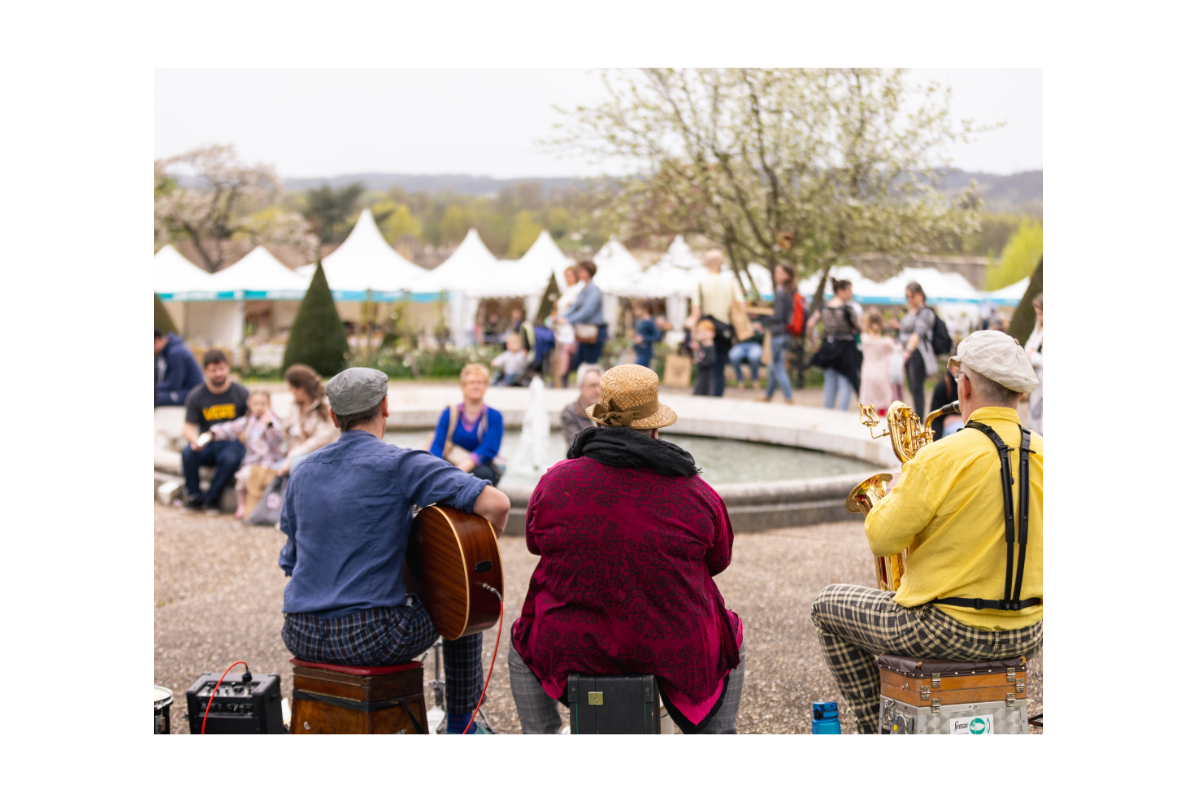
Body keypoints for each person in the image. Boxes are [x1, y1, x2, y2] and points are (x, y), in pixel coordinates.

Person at [810, 330, 1043, 734]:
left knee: (827, 605)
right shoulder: (1047, 454)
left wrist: (901, 486)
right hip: (1029, 631)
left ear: (964, 384)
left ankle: (875, 728)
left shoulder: (941, 455)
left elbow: (881, 539)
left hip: (943, 629)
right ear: (1018, 394)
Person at [508, 365, 745, 734]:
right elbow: (719, 560)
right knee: (731, 640)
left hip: (572, 644)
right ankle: (717, 738)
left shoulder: (554, 483)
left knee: (523, 640)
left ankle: (541, 736)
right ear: (655, 427)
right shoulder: (697, 493)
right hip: (675, 646)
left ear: (600, 425)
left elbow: (535, 543)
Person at [278, 367, 510, 735]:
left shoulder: (302, 472)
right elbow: (496, 504)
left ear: (334, 417)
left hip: (300, 631)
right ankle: (462, 726)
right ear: (386, 407)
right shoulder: (400, 463)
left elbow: (290, 561)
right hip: (371, 637)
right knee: (465, 598)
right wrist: (466, 567)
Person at [181, 350, 250, 512]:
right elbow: (188, 426)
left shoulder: (241, 393)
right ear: (205, 371)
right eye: (213, 370)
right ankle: (194, 496)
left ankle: (211, 498)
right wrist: (195, 440)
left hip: (231, 443)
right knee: (187, 453)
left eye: (221, 368)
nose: (218, 373)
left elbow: (250, 423)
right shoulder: (196, 395)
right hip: (207, 442)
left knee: (232, 459)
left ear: (228, 368)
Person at [207, 389, 287, 518]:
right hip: (252, 461)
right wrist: (213, 433)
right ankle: (242, 506)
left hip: (269, 461)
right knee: (242, 478)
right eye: (256, 404)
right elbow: (230, 428)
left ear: (269, 404)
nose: (259, 407)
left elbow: (278, 439)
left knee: (264, 482)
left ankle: (265, 510)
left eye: (262, 404)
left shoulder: (272, 421)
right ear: (249, 404)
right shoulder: (247, 421)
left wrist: (270, 426)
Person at [428, 363, 505, 485]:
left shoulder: (494, 416)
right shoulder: (449, 413)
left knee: (482, 475)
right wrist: (436, 469)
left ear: (486, 387)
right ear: (463, 387)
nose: (476, 386)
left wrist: (461, 469)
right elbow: (437, 445)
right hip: (451, 463)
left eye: (480, 382)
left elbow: (489, 448)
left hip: (479, 467)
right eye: (471, 382)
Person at [686, 249, 746, 397]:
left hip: (706, 330)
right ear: (721, 264)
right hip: (724, 329)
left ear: (706, 264)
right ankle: (717, 396)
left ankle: (704, 394)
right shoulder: (730, 283)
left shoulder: (700, 284)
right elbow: (741, 306)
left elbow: (696, 314)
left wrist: (693, 336)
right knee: (719, 366)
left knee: (705, 364)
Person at [807, 278, 861, 410]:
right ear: (840, 291)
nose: (851, 294)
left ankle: (827, 414)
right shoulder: (847, 309)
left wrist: (812, 341)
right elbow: (858, 328)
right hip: (845, 348)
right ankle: (840, 416)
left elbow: (810, 324)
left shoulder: (823, 307)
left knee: (829, 384)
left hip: (828, 347)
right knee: (845, 384)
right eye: (849, 291)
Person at [277, 364, 339, 477]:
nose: (289, 390)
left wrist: (292, 456)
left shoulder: (326, 406)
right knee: (269, 470)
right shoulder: (295, 406)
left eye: (290, 387)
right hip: (296, 455)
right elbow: (288, 435)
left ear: (301, 389)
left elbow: (320, 439)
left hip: (322, 455)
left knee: (297, 466)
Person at [891, 281, 938, 420]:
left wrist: (908, 351)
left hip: (918, 353)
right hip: (907, 352)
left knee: (917, 388)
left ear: (920, 295)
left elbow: (918, 333)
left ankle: (920, 419)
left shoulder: (926, 312)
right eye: (908, 296)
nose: (910, 299)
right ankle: (917, 417)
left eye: (912, 296)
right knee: (911, 387)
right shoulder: (911, 311)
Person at [559, 260, 606, 372]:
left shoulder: (594, 290)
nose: (578, 273)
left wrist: (567, 320)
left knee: (590, 364)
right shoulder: (583, 290)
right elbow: (574, 308)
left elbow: (587, 312)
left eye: (581, 271)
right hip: (586, 331)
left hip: (595, 331)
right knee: (582, 363)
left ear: (587, 272)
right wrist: (561, 317)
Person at [760, 264, 797, 404]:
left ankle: (788, 397)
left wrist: (761, 317)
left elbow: (778, 316)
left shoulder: (782, 293)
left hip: (779, 333)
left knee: (778, 366)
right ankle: (768, 395)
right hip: (788, 333)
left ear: (788, 275)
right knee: (774, 364)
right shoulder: (791, 292)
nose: (777, 275)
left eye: (780, 273)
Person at [155, 328, 203, 407]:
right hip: (181, 389)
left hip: (191, 392)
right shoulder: (165, 352)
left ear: (156, 341)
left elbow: (174, 384)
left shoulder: (176, 353)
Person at [553, 265, 584, 388]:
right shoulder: (568, 290)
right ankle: (560, 379)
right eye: (566, 276)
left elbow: (574, 310)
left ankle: (563, 378)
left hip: (571, 327)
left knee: (566, 353)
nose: (567, 279)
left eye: (570, 276)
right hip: (562, 327)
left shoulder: (578, 290)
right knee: (562, 354)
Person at [858, 308, 894, 413]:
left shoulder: (864, 338)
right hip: (882, 373)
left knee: (867, 401)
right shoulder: (886, 342)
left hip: (868, 373)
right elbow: (894, 349)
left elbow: (863, 329)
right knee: (883, 401)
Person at [560, 364, 601, 451]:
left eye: (600, 385)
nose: (597, 391)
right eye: (592, 385)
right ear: (581, 387)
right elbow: (574, 447)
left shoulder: (610, 410)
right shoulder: (570, 413)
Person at [928, 354, 963, 441]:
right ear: (951, 370)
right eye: (958, 372)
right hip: (949, 431)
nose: (962, 376)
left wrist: (956, 419)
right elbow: (936, 419)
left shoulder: (972, 384)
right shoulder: (943, 386)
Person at [1025, 293, 1043, 435]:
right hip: (1038, 381)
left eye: (1041, 314)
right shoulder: (1039, 327)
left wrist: (1032, 355)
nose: (1039, 318)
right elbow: (1028, 346)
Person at [728, 319, 764, 389]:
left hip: (755, 344)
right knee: (733, 355)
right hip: (741, 344)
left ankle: (755, 380)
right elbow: (736, 334)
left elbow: (763, 337)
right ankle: (740, 380)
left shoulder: (762, 320)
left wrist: (759, 330)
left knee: (754, 357)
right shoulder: (742, 317)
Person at [691, 319, 717, 396]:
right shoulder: (701, 345)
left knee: (705, 391)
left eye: (706, 332)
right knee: (698, 390)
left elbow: (711, 360)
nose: (703, 334)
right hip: (701, 374)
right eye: (701, 332)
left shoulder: (710, 346)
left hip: (708, 375)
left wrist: (700, 363)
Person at [632, 300, 661, 369]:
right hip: (639, 351)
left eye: (638, 309)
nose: (635, 312)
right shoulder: (639, 321)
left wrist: (644, 338)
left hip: (646, 352)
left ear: (645, 309)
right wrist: (633, 346)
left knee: (638, 371)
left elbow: (657, 337)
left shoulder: (650, 322)